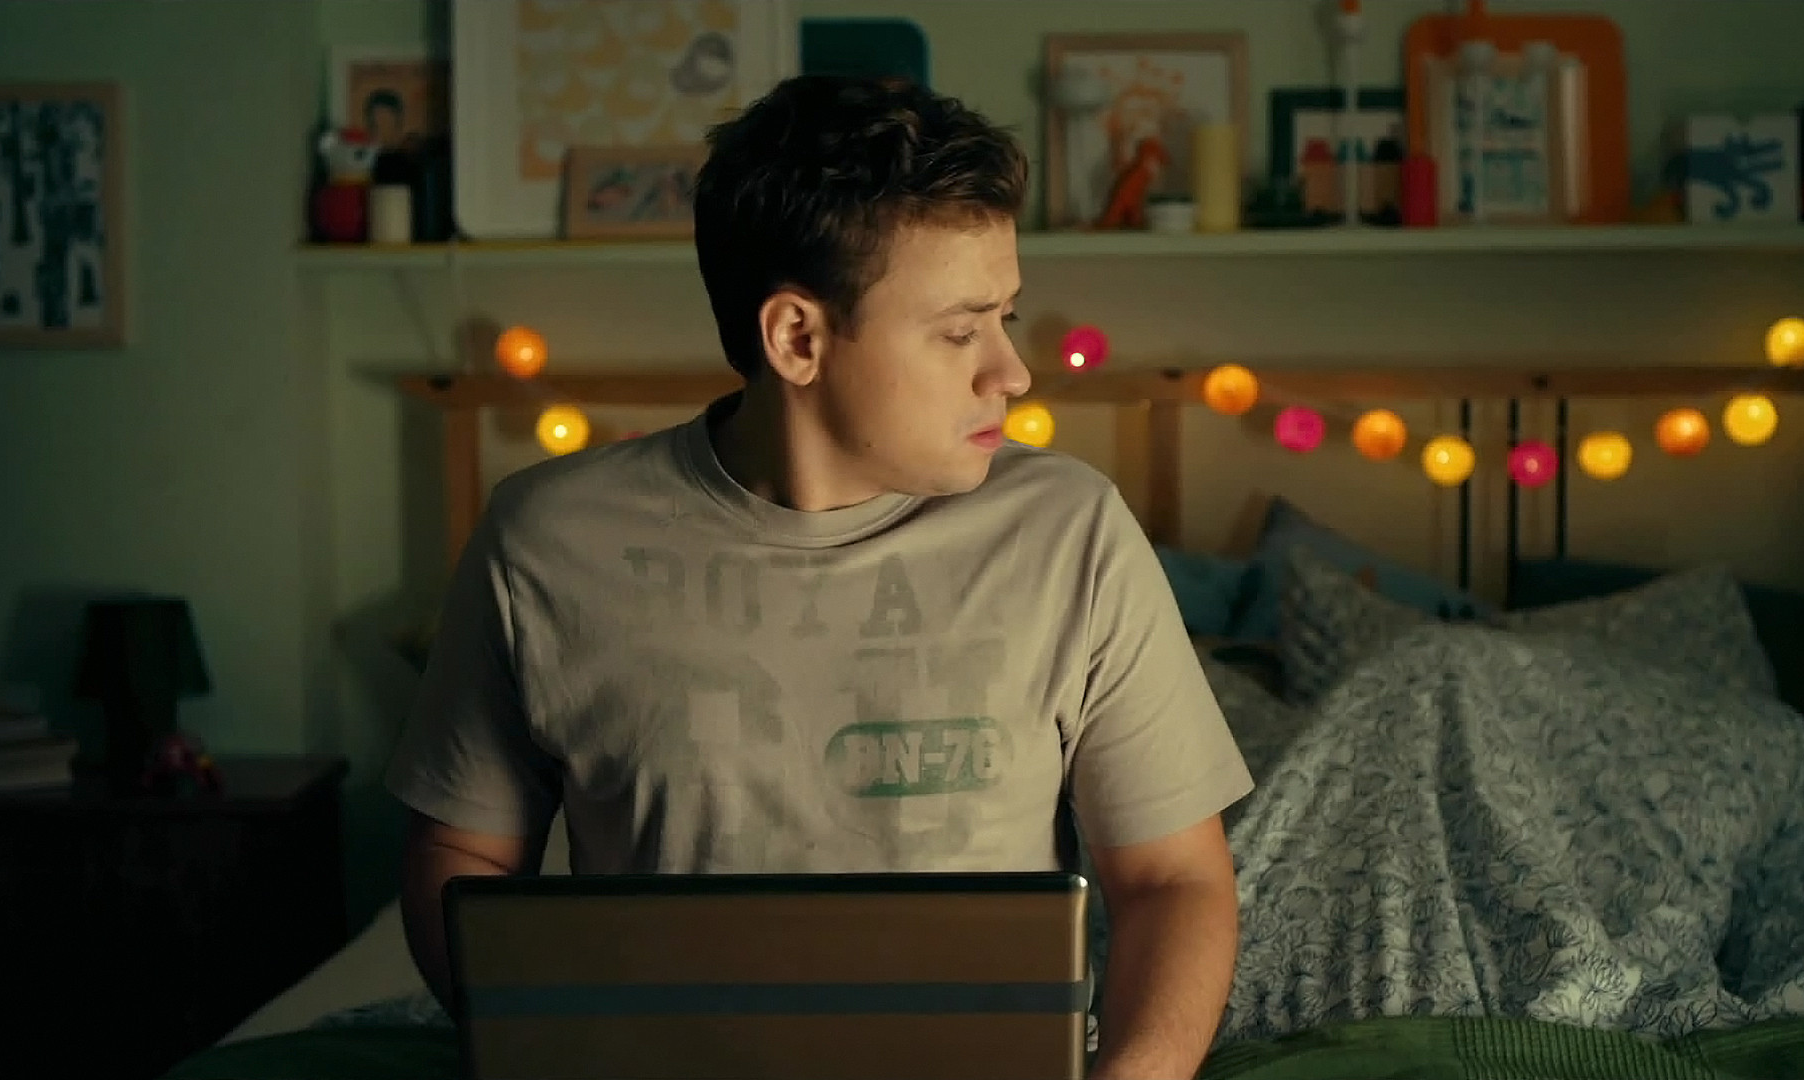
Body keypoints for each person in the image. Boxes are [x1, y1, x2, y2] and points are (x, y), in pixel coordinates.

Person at [386, 74, 1254, 1080]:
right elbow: (463, 858)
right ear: (797, 337)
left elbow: (1174, 882)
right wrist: (549, 1045)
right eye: (961, 331)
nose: (1011, 373)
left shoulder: (1073, 532)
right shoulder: (543, 541)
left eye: (1007, 317)